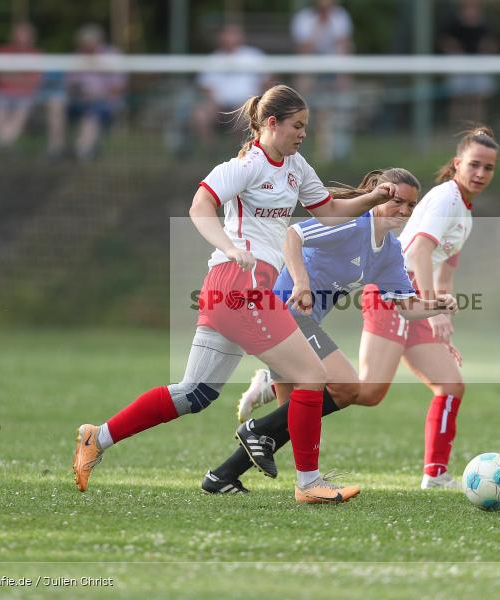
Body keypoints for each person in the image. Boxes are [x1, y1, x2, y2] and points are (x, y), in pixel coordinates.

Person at [72, 84, 396, 504]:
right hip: (240, 284)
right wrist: (228, 246)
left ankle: (97, 437)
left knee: (195, 394)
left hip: (234, 289)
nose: (303, 134)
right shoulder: (245, 165)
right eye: (297, 126)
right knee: (313, 377)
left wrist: (372, 198)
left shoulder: (296, 166)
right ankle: (309, 483)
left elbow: (330, 212)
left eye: (306, 127)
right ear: (271, 123)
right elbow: (199, 207)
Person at [238, 126, 500, 490]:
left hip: (408, 294)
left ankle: (435, 474)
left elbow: (446, 264)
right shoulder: (445, 199)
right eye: (475, 164)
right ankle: (278, 409)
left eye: (489, 168)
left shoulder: (463, 212)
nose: (481, 173)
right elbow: (421, 249)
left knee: (429, 387)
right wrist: (434, 309)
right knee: (351, 389)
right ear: (457, 164)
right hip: (395, 293)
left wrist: (441, 309)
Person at [202, 169, 459, 494]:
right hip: (282, 312)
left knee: (293, 419)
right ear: (379, 195)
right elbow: (292, 236)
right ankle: (261, 434)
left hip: (298, 323)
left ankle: (222, 476)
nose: (404, 212)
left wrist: (438, 305)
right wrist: (302, 282)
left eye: (411, 206)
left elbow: (406, 307)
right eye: (397, 202)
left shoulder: (391, 251)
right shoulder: (354, 224)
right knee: (347, 386)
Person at [290, 0, 354, 162]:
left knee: (340, 102)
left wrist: (342, 75)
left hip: (334, 70)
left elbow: (344, 47)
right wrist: (319, 24)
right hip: (311, 70)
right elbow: (305, 50)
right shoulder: (303, 19)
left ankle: (338, 150)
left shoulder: (341, 16)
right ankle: (301, 142)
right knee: (303, 86)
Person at [192, 24, 269, 146]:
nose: (230, 38)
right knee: (200, 115)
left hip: (246, 103)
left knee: (243, 115)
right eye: (227, 34)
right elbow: (206, 87)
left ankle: (236, 153)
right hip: (218, 105)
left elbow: (267, 81)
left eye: (233, 34)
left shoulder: (253, 56)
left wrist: (255, 99)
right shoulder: (213, 59)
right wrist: (215, 103)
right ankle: (210, 151)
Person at [65, 24, 127, 161]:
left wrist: (100, 95)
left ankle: (83, 151)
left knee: (91, 115)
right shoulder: (77, 57)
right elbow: (70, 84)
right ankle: (76, 149)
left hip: (104, 102)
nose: (86, 46)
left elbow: (118, 85)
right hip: (80, 101)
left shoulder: (112, 55)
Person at [438, 0, 499, 125]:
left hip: (480, 64)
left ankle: (477, 128)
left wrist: (486, 48)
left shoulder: (486, 24)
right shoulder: (453, 23)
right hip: (458, 63)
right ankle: (457, 128)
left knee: (478, 98)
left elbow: (493, 44)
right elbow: (443, 41)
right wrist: (454, 49)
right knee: (458, 97)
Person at [0, 22, 42, 151]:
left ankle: (3, 146)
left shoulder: (36, 54)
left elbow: (34, 82)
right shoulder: (2, 51)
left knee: (21, 113)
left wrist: (11, 77)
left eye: (25, 36)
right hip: (3, 93)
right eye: (19, 35)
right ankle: (5, 146)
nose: (21, 39)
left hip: (25, 95)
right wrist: (22, 79)